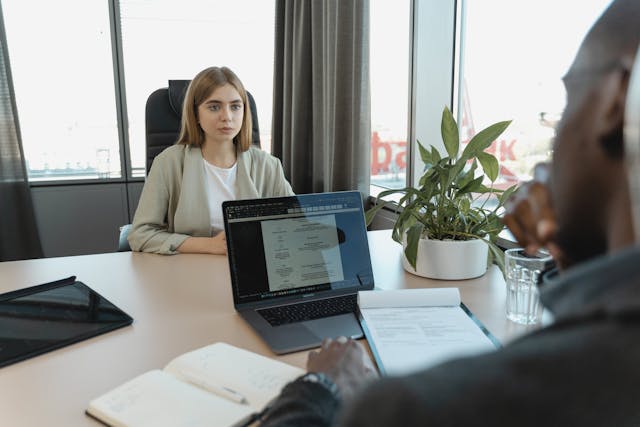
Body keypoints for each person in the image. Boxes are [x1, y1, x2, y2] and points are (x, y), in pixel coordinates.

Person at [259, 1, 640, 425]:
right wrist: (572, 247)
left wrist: (318, 388)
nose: (555, 133)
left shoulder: (419, 407)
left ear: (613, 101)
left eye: (567, 101)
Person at [128, 66, 294, 255]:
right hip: (188, 270)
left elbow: (295, 224)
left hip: (252, 268)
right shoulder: (168, 162)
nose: (227, 117)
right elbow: (140, 234)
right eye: (214, 107)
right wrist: (208, 245)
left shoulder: (269, 165)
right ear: (196, 114)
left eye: (235, 106)